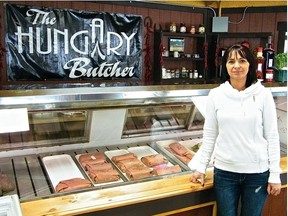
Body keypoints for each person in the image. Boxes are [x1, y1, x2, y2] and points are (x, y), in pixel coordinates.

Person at [190, 44, 282, 216]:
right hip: (225, 172)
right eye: (231, 61)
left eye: (242, 60)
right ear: (225, 66)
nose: (236, 66)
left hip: (257, 173)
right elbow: (210, 135)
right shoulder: (216, 95)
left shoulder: (263, 94)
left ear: (250, 65)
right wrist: (201, 168)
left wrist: (275, 173)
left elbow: (272, 136)